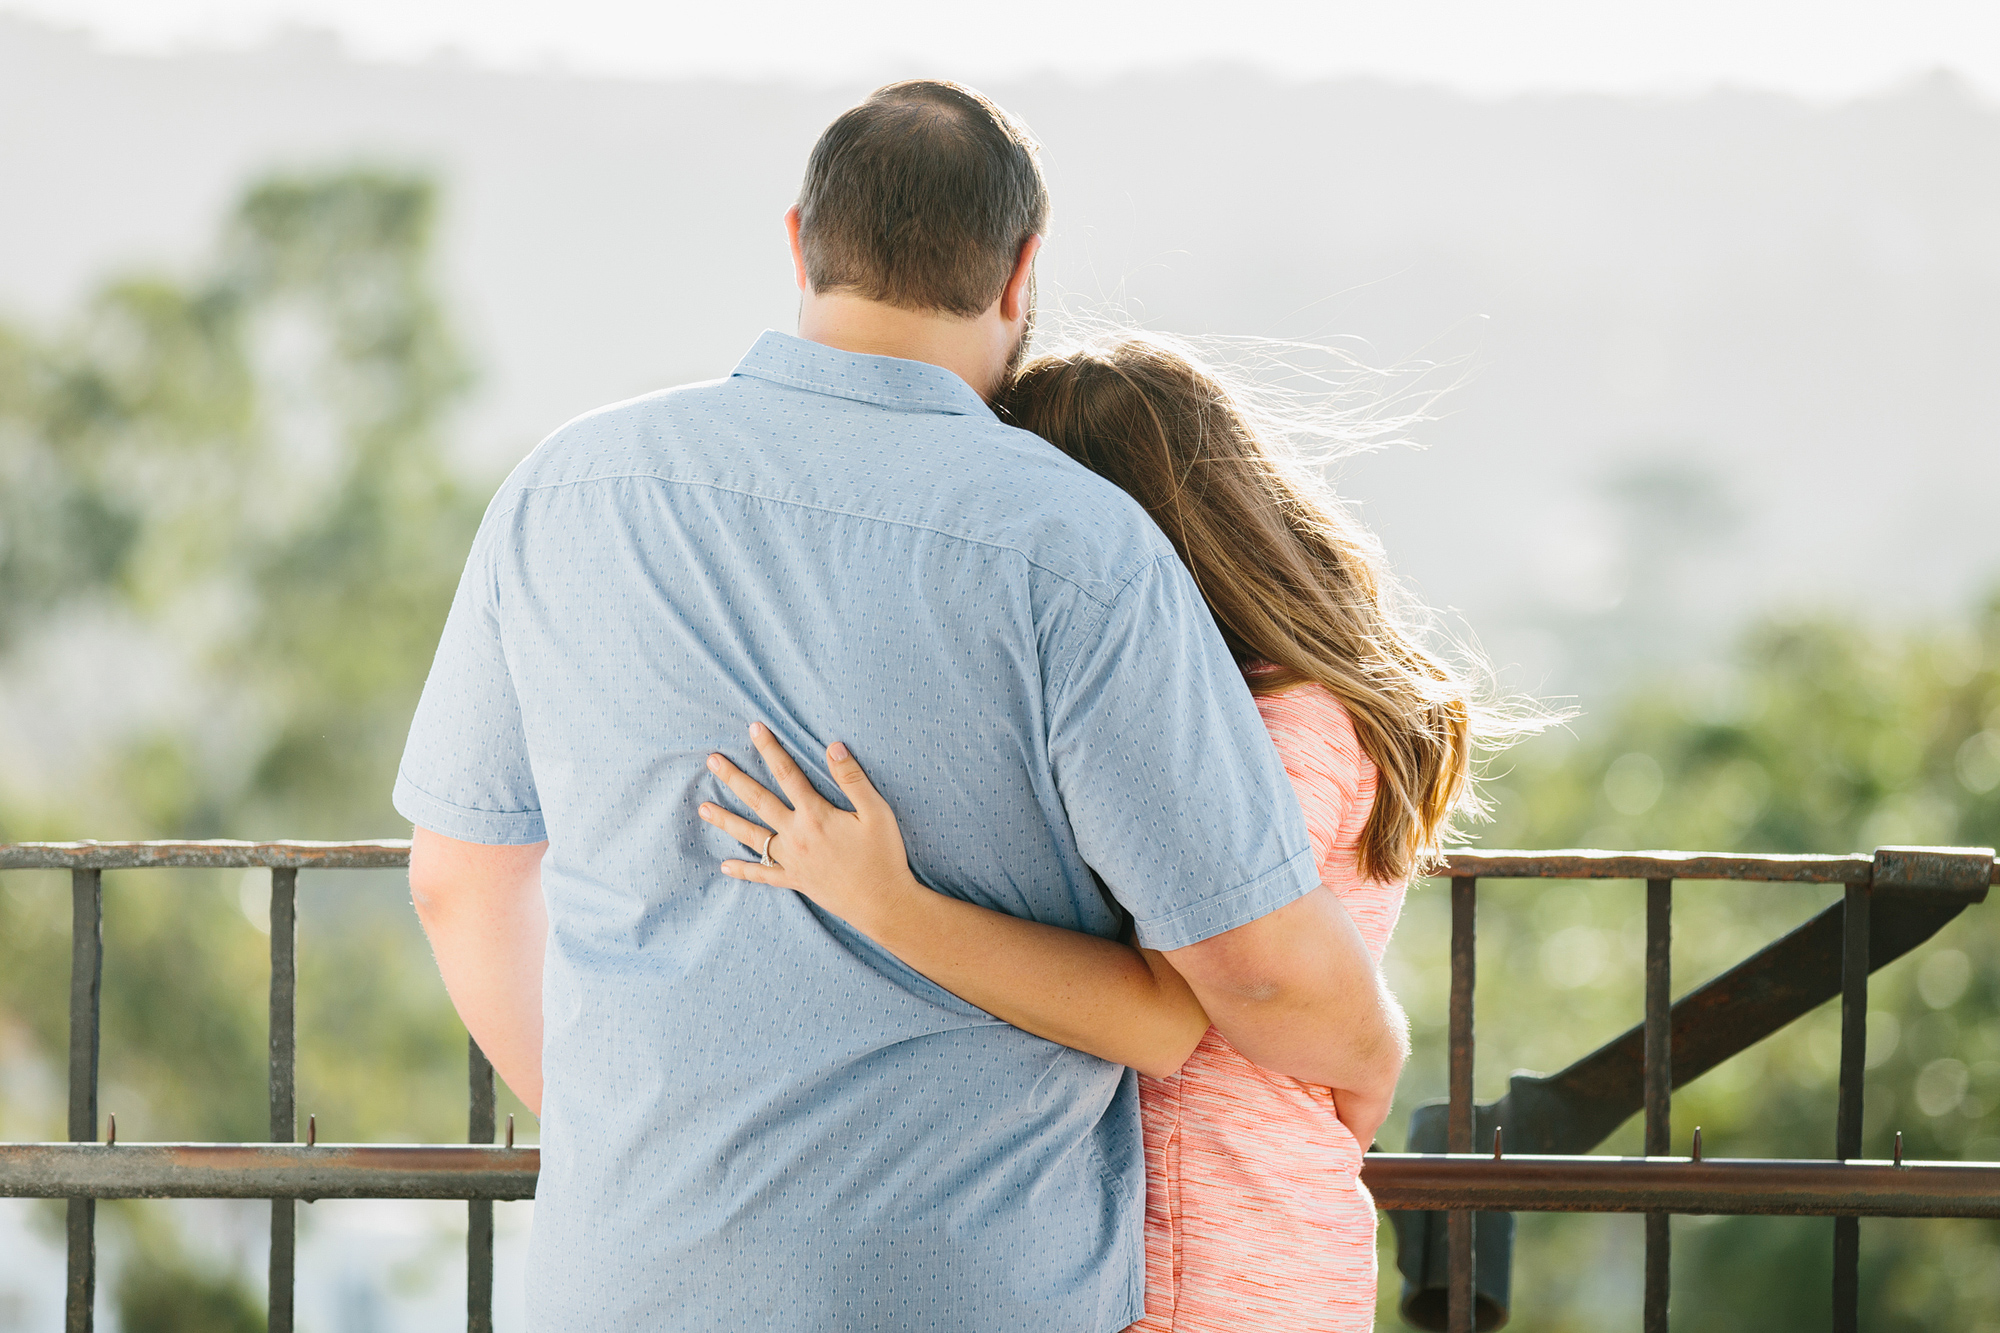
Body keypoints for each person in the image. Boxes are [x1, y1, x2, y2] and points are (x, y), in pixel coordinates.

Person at [397, 79, 1403, 1332]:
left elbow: (456, 880)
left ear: (798, 241)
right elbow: (1250, 970)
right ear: (1019, 269)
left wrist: (634, 1153)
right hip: (971, 1287)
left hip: (626, 1273)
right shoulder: (1081, 547)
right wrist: (1373, 1060)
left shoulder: (563, 489)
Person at [703, 334, 1496, 1331]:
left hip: (1196, 1242)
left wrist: (885, 901)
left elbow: (1227, 975)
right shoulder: (1292, 705)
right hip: (1242, 1219)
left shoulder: (1259, 730)